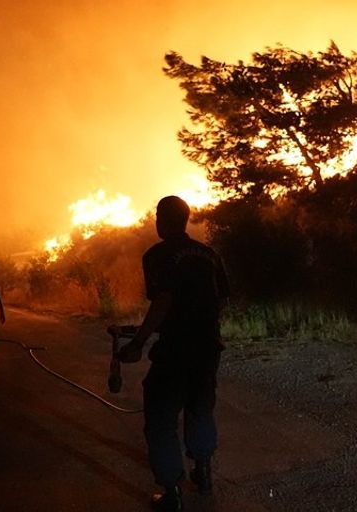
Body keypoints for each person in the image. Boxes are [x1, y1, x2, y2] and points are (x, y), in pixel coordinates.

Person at [116, 196, 229, 512]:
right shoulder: (209, 254)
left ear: (162, 220)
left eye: (156, 215)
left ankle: (171, 492)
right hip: (208, 348)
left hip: (176, 351)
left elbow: (162, 302)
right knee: (200, 408)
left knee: (161, 419)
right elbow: (222, 300)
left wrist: (137, 343)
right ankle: (203, 474)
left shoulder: (157, 255)